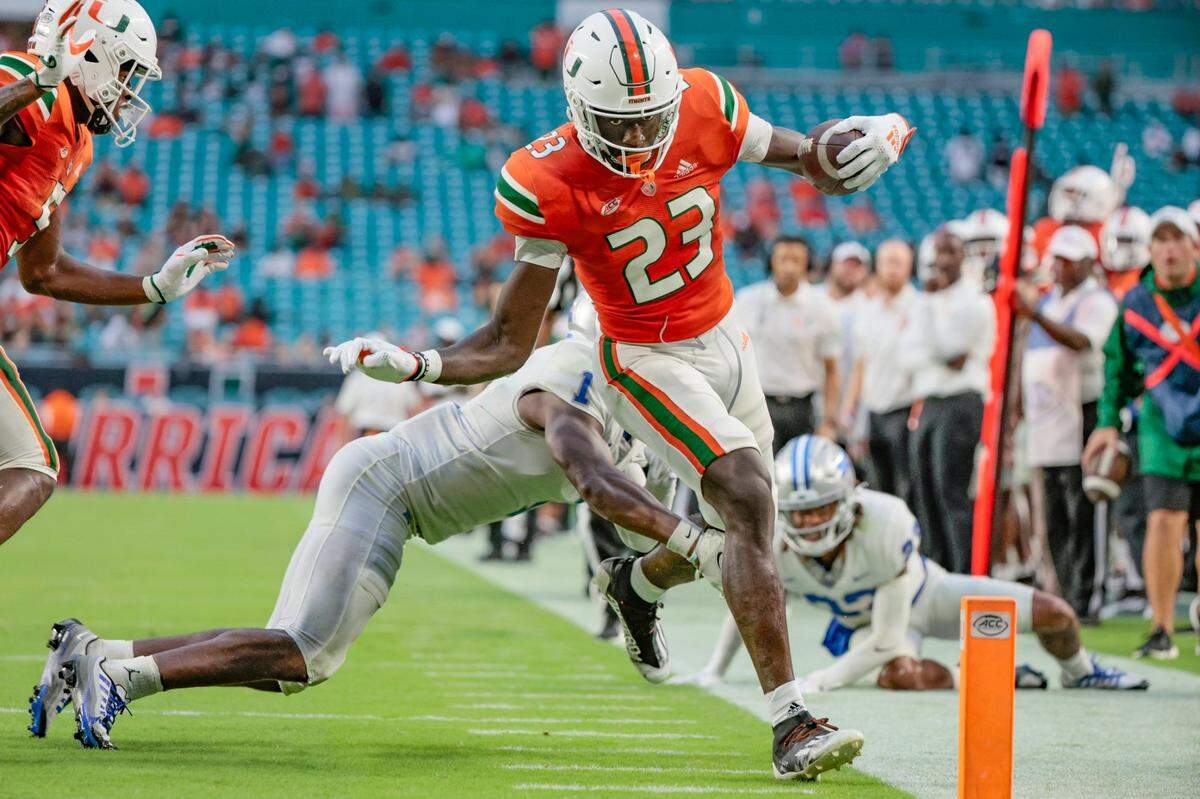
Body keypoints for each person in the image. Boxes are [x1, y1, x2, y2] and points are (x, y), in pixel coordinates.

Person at [317, 9, 912, 780]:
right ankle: (791, 721)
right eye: (618, 127)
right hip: (639, 350)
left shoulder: (704, 102)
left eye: (650, 122)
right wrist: (425, 364)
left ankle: (633, 584)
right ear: (578, 109)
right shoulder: (546, 179)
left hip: (728, 337)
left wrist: (868, 139)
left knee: (749, 532)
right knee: (746, 493)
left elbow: (810, 159)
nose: (638, 143)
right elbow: (509, 338)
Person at [28, 331, 724, 748]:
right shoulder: (575, 377)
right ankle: (120, 680)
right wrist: (697, 539)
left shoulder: (624, 415)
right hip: (386, 488)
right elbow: (595, 477)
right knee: (301, 653)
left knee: (291, 651)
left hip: (398, 500)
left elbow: (619, 501)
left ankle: (93, 654)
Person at [0, 1, 236, 549]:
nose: (129, 91)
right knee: (28, 463)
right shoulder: (25, 81)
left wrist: (153, 287)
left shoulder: (75, 143)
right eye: (126, 70)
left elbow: (45, 272)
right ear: (87, 49)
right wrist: (37, 82)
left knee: (32, 467)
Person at [687, 436, 1147, 693]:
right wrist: (715, 669)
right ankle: (990, 676)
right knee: (900, 676)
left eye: (821, 507)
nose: (808, 522)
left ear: (848, 500)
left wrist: (823, 680)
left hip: (927, 597)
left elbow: (889, 638)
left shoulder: (884, 524)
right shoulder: (778, 542)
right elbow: (751, 604)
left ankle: (1081, 670)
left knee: (1058, 615)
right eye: (800, 511)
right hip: (868, 625)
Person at [1083, 207, 1200, 660]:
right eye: (1161, 241)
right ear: (1150, 250)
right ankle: (1162, 628)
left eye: (1178, 239)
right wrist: (1108, 421)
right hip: (1161, 429)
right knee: (1163, 522)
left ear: (1193, 245)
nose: (1169, 249)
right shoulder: (1136, 303)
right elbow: (1117, 367)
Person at [1017, 226, 1118, 619]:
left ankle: (1088, 592)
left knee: (1084, 507)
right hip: (1049, 418)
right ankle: (1062, 591)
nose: (1058, 267)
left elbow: (1082, 342)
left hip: (1084, 411)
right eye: (1056, 258)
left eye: (1068, 260)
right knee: (1055, 512)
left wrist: (1036, 314)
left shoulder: (1096, 301)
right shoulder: (1052, 302)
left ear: (1088, 264)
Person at [901, 229, 994, 574]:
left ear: (962, 256)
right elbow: (906, 355)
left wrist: (926, 313)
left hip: (960, 402)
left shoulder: (974, 300)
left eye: (949, 252)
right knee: (924, 490)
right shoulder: (926, 301)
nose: (941, 260)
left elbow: (951, 355)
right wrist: (931, 348)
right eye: (937, 252)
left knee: (950, 491)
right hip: (929, 401)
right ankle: (936, 572)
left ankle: (964, 573)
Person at [735, 235, 840, 453]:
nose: (789, 267)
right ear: (771, 261)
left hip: (802, 408)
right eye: (783, 259)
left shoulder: (822, 306)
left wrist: (829, 421)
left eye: (797, 260)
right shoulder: (748, 300)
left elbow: (831, 369)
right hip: (759, 404)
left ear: (807, 264)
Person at [841, 238, 918, 500]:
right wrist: (849, 412)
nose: (891, 269)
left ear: (910, 267)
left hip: (906, 410)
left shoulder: (919, 308)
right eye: (887, 262)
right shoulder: (867, 311)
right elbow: (861, 365)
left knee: (909, 487)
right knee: (878, 488)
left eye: (898, 263)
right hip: (874, 413)